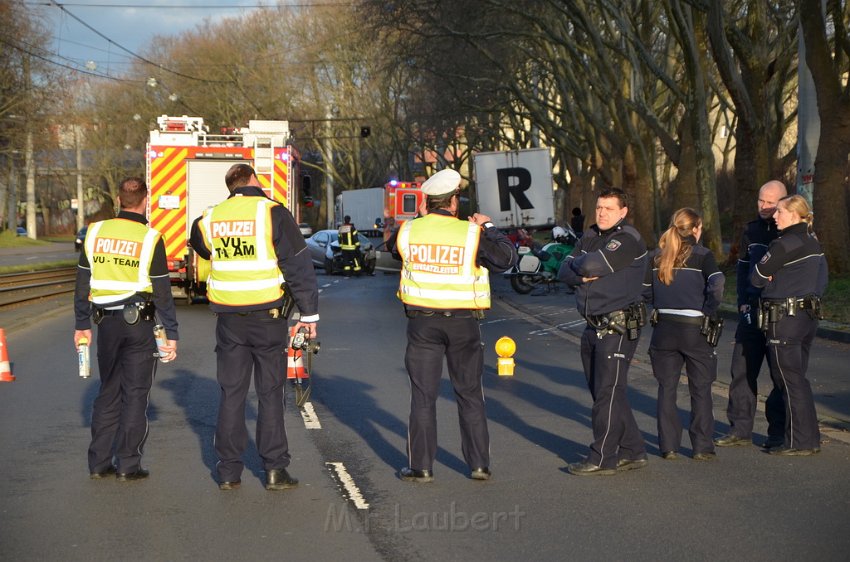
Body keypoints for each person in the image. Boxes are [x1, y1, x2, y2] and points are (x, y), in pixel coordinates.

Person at [189, 163, 319, 491]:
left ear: (230, 187)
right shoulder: (272, 212)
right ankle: (275, 470)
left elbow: (200, 244)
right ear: (253, 180)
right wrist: (309, 316)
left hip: (229, 319)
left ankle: (229, 472)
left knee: (231, 393)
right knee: (270, 394)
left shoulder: (211, 217)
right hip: (267, 317)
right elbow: (297, 266)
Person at [390, 168, 517, 483]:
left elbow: (395, 251)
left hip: (422, 324)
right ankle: (478, 465)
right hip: (463, 323)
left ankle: (421, 467)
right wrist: (488, 226)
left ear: (428, 202)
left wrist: (420, 219)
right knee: (470, 393)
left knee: (423, 396)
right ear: (454, 202)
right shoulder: (471, 234)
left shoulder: (409, 230)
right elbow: (506, 259)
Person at [73, 177, 179, 482]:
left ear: (119, 199)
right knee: (134, 393)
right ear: (145, 200)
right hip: (139, 326)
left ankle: (98, 463)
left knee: (108, 391)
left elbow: (82, 284)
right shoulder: (150, 238)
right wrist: (171, 332)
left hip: (105, 324)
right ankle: (128, 465)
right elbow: (162, 291)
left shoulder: (95, 232)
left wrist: (82, 325)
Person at [559, 187, 648, 476]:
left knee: (607, 394)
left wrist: (580, 266)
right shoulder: (590, 235)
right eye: (599, 207)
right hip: (592, 324)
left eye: (609, 208)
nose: (602, 213)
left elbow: (593, 263)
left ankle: (602, 457)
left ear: (623, 212)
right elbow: (563, 270)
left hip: (618, 324)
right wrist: (579, 269)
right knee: (605, 391)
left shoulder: (627, 238)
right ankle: (633, 450)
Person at [643, 208, 724, 461]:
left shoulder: (656, 256)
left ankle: (668, 446)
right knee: (700, 388)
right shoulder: (702, 255)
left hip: (664, 328)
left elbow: (644, 291)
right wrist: (709, 308)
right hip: (694, 328)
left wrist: (658, 302)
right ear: (697, 228)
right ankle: (701, 446)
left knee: (666, 388)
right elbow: (718, 283)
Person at [752, 195, 827, 456]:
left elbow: (757, 277)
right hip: (807, 316)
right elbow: (821, 278)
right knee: (798, 378)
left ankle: (798, 441)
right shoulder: (813, 241)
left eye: (780, 211)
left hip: (784, 318)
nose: (775, 215)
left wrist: (773, 279)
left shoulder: (784, 244)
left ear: (794, 215)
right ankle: (810, 437)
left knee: (788, 380)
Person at [715, 180, 787, 449]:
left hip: (779, 313)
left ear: (783, 202)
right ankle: (739, 429)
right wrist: (743, 304)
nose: (765, 207)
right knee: (741, 371)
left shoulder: (788, 232)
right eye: (761, 201)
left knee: (779, 374)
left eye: (771, 202)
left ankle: (778, 431)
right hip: (751, 311)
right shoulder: (750, 230)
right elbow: (743, 270)